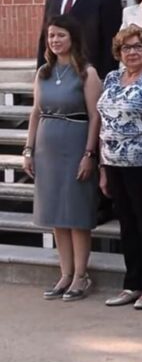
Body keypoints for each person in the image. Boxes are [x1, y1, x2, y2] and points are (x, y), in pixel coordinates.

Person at [23, 15, 102, 301]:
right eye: (51, 36)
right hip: (47, 149)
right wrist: (28, 149)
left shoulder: (87, 72)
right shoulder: (44, 72)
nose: (55, 40)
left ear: (73, 38)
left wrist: (89, 154)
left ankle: (81, 275)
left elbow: (95, 116)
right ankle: (65, 274)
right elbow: (35, 112)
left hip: (76, 144)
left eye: (60, 35)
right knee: (56, 214)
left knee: (76, 213)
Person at [97, 26, 142, 310]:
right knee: (127, 225)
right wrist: (102, 167)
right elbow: (103, 124)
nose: (132, 52)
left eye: (138, 47)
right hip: (113, 162)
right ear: (119, 52)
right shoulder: (112, 78)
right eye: (126, 48)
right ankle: (132, 283)